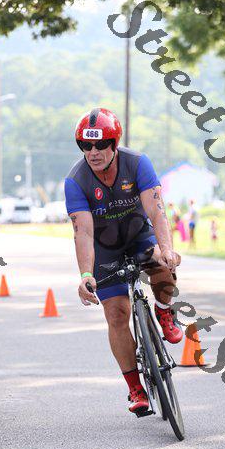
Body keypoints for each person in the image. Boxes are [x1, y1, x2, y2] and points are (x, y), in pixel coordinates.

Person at [64, 108, 182, 415]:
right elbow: (83, 232)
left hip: (139, 235)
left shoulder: (137, 163)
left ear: (114, 144)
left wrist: (167, 249)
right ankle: (135, 389)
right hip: (105, 249)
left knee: (162, 265)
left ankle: (164, 310)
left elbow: (156, 211)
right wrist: (86, 274)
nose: (93, 152)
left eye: (100, 144)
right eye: (85, 145)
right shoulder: (75, 180)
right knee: (116, 314)